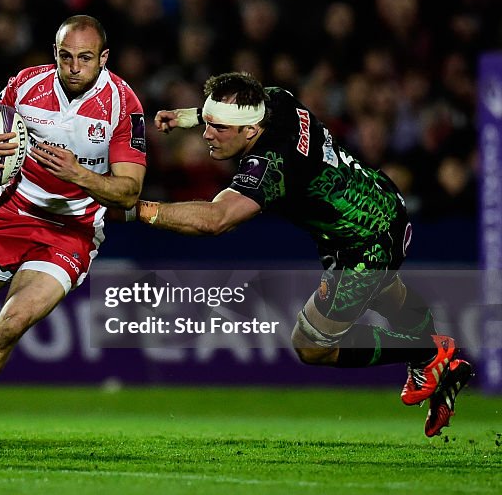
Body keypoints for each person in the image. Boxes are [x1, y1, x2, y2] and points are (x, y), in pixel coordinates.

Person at [132, 71, 472, 437]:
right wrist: (188, 116)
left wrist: (136, 209)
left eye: (218, 127)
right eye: (208, 123)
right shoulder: (275, 99)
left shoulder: (273, 165)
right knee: (390, 296)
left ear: (250, 131)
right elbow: (233, 110)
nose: (206, 134)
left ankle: (426, 354)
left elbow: (216, 220)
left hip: (364, 246)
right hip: (379, 203)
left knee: (310, 345)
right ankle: (442, 369)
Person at [0, 15, 147, 451]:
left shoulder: (123, 104)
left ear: (103, 58)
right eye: (65, 56)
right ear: (55, 54)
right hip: (12, 213)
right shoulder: (27, 85)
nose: (74, 66)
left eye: (85, 58)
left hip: (73, 229)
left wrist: (79, 174)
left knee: (13, 321)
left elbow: (129, 191)